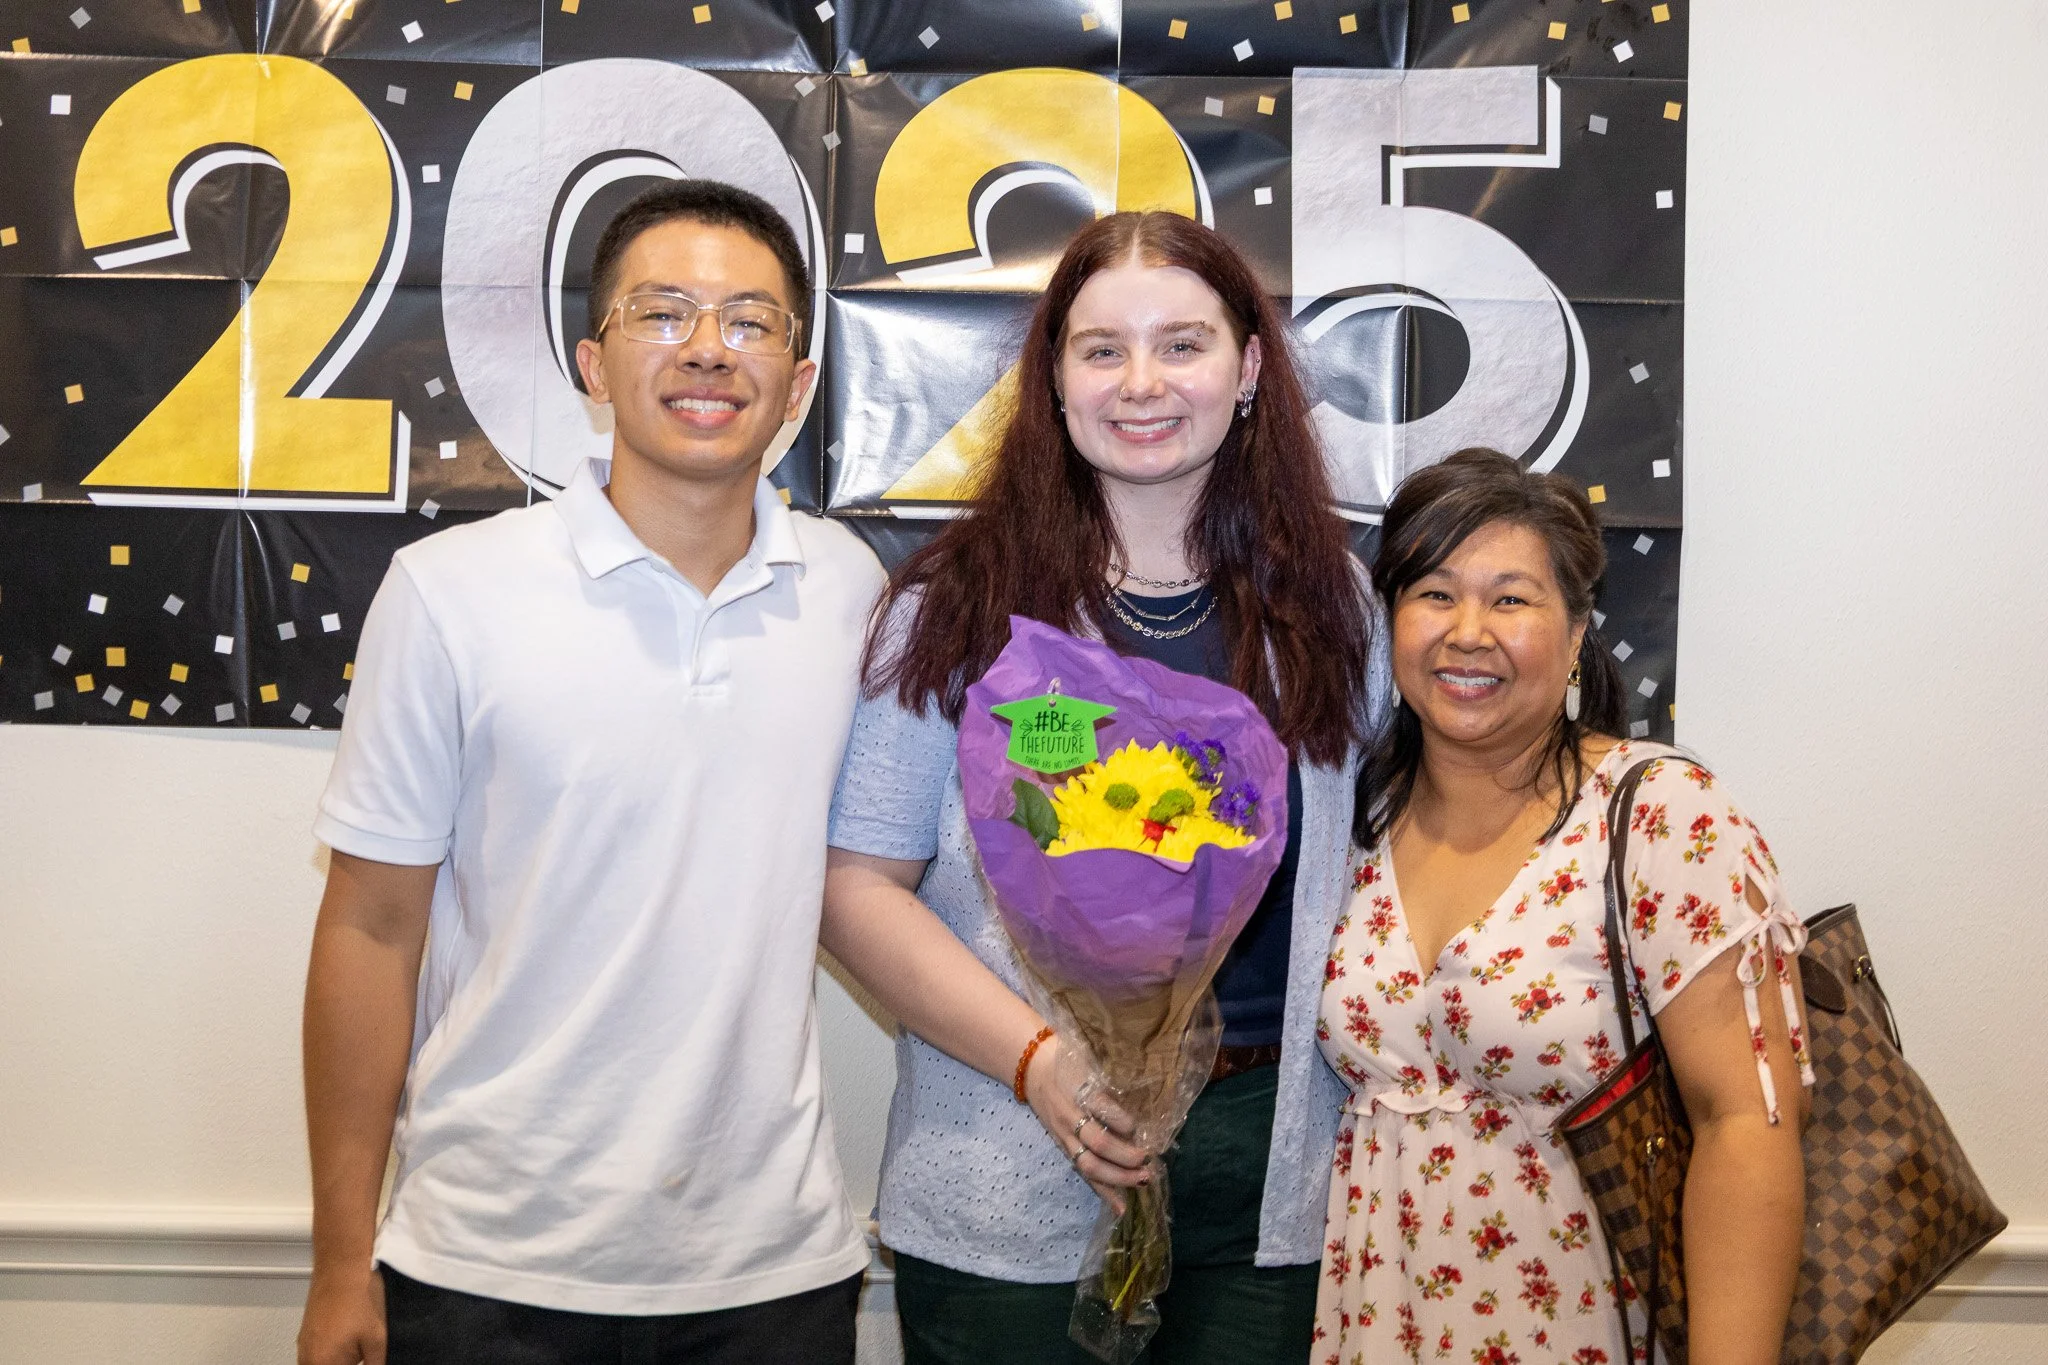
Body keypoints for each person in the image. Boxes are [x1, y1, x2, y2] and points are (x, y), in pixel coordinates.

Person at [296, 181, 884, 1365]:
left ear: (800, 379)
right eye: (662, 313)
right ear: (593, 364)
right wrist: (337, 1261)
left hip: (772, 1273)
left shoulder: (855, 593)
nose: (708, 349)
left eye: (750, 321)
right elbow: (369, 928)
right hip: (485, 1269)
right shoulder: (449, 591)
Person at [820, 210, 1387, 1363]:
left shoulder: (1334, 609)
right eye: (1101, 348)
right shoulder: (953, 608)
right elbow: (853, 886)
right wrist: (1041, 1064)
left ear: (1248, 369)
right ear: (1055, 380)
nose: (1142, 383)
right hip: (1008, 1155)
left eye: (1182, 344)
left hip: (1274, 1167)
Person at [1315, 449, 1810, 1364]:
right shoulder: (1352, 819)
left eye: (1511, 599)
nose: (1468, 631)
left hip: (1589, 1324)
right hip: (1382, 1320)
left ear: (1578, 632)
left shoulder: (1661, 815)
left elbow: (1749, 1120)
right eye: (1433, 593)